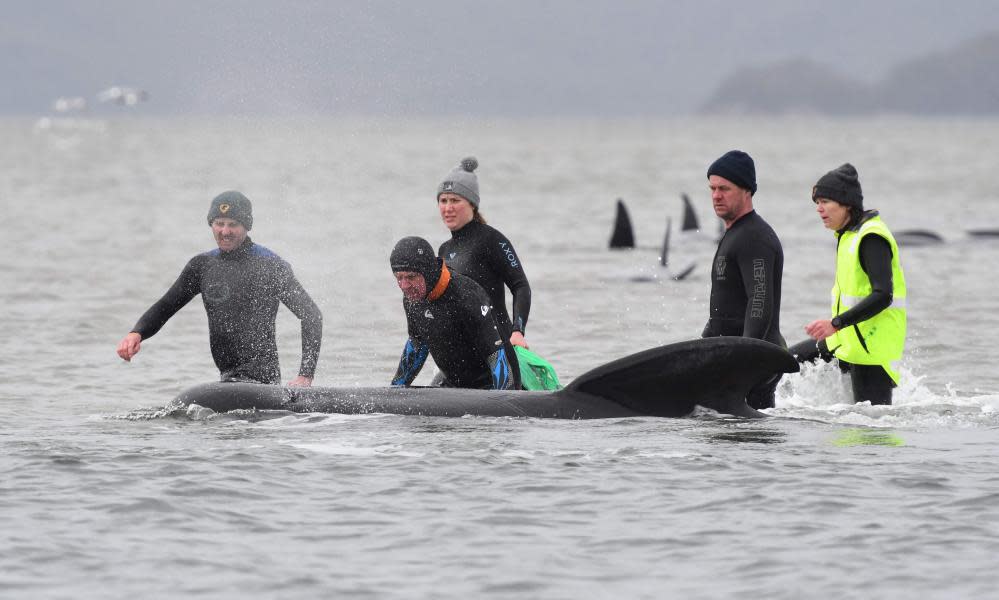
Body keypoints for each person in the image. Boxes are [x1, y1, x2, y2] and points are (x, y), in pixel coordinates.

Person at [116, 191, 323, 386]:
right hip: (227, 380)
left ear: (247, 226)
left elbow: (312, 315)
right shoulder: (202, 266)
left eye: (233, 224)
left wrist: (305, 375)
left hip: (263, 383)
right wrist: (137, 333)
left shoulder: (270, 265)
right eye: (219, 223)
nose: (225, 231)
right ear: (211, 224)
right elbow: (166, 306)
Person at [793, 163, 907, 405]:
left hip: (872, 350)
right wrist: (838, 327)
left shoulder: (871, 237)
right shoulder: (848, 235)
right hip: (846, 340)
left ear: (846, 203)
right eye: (816, 203)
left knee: (870, 429)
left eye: (825, 201)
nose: (819, 209)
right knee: (785, 362)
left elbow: (883, 295)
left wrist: (836, 323)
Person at [702, 150, 786, 409]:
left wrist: (746, 359)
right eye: (712, 188)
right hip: (736, 358)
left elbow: (759, 300)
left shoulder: (754, 238)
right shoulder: (735, 233)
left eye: (724, 188)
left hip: (753, 362)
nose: (716, 195)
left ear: (746, 190)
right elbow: (725, 307)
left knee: (749, 442)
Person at [389, 236, 519, 390]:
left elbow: (496, 355)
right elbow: (418, 343)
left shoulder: (467, 295)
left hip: (491, 385)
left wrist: (504, 400)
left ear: (428, 271)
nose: (404, 286)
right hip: (453, 385)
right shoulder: (412, 299)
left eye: (411, 277)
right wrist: (395, 390)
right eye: (399, 278)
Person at [435, 157, 532, 351]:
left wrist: (518, 332)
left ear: (472, 204)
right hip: (465, 353)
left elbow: (521, 286)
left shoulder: (491, 240)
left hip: (499, 347)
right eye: (443, 200)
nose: (447, 208)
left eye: (455, 200)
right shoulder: (444, 250)